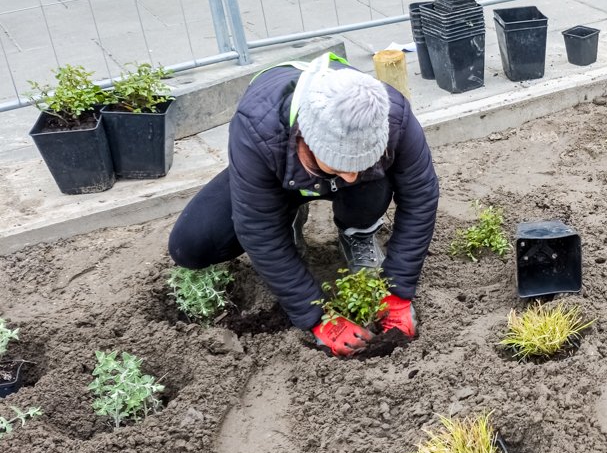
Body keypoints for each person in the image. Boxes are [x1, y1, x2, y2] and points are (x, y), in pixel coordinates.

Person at [168, 53, 439, 355]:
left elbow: (420, 196)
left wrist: (399, 291)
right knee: (190, 245)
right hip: (276, 169)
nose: (351, 177)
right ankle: (289, 212)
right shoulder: (257, 129)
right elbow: (257, 228)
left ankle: (357, 231)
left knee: (368, 182)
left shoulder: (393, 115)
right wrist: (317, 317)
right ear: (305, 139)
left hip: (338, 168)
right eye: (340, 165)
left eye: (360, 165)